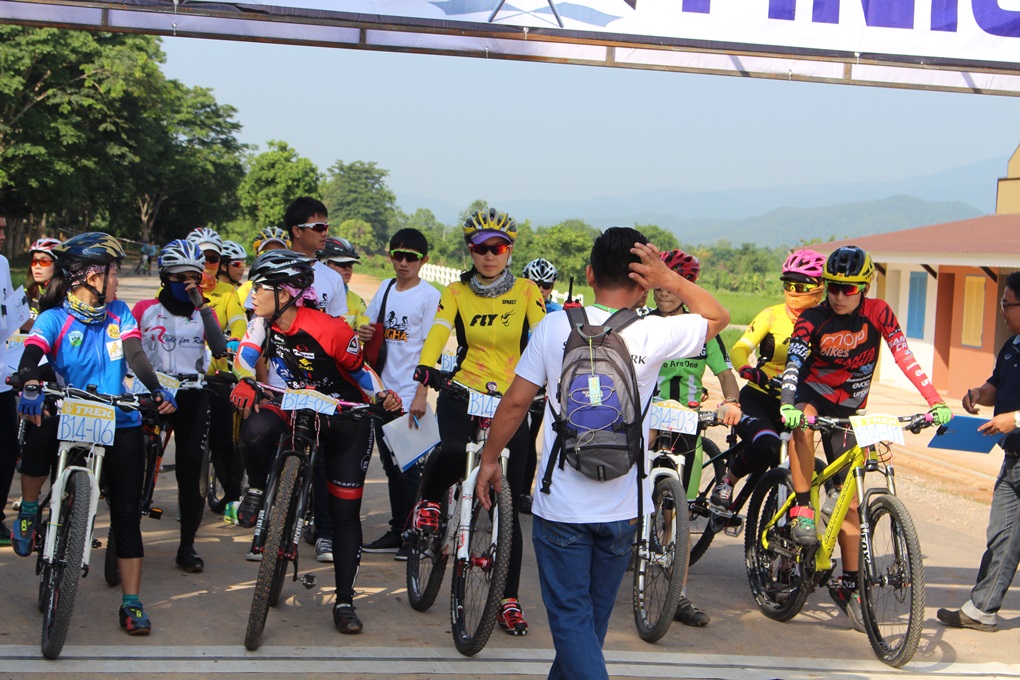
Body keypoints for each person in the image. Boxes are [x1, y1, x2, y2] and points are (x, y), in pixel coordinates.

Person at [474, 228, 728, 679]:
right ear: (643, 282)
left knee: (573, 623)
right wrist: (668, 277)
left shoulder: (554, 326)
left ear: (590, 274)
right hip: (623, 506)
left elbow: (515, 403)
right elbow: (717, 315)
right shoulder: (654, 332)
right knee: (588, 626)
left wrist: (490, 460)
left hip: (561, 506)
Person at [779, 244, 953, 631]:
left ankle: (849, 585)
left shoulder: (879, 313)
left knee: (852, 504)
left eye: (848, 289)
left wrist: (935, 401)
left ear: (865, 288)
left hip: (849, 408)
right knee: (802, 424)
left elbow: (904, 357)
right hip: (811, 396)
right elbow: (794, 362)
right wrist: (788, 403)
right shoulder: (812, 317)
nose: (838, 296)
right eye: (833, 287)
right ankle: (803, 507)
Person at [11, 232, 177, 635]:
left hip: (118, 418)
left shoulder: (119, 313)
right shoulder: (55, 317)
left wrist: (156, 389)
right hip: (68, 410)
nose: (117, 280)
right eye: (113, 272)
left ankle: (131, 603)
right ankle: (30, 509)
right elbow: (31, 354)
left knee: (126, 513)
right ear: (90, 276)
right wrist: (30, 382)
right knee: (40, 426)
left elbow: (135, 355)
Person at [229, 250, 401, 634]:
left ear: (286, 293)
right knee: (255, 430)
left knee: (343, 514)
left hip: (343, 415)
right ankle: (256, 489)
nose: (252, 293)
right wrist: (244, 380)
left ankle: (344, 601)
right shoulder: (261, 322)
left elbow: (363, 373)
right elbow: (244, 357)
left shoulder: (331, 330)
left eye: (261, 287)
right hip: (294, 404)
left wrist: (382, 396)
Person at [412, 208, 546, 636]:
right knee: (452, 450)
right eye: (480, 248)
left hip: (511, 398)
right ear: (469, 250)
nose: (489, 256)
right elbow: (439, 329)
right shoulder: (455, 291)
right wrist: (427, 365)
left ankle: (507, 599)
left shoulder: (527, 291)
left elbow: (542, 335)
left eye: (498, 248)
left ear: (509, 251)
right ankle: (430, 502)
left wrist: (554, 376)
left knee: (509, 504)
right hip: (465, 388)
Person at [647, 248, 741, 628]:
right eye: (658, 286)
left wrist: (731, 401)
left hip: (687, 426)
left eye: (671, 286)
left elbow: (726, 375)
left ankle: (678, 594)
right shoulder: (641, 324)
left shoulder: (701, 330)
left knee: (679, 513)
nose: (663, 293)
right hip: (647, 423)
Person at [132, 240, 227, 573]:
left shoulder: (203, 311)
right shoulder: (144, 309)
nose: (187, 284)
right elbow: (126, 349)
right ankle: (124, 530)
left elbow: (219, 347)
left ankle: (187, 545)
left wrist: (203, 307)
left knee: (190, 468)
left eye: (193, 277)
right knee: (133, 456)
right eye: (179, 277)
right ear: (164, 277)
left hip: (191, 393)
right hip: (152, 391)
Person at [937, 271, 1020, 633]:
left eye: (1007, 304)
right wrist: (976, 394)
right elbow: (995, 386)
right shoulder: (1012, 346)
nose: (1002, 310)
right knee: (1002, 534)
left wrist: (1015, 419)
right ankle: (982, 609)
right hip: (1013, 459)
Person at [714, 249, 827, 506]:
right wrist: (747, 369)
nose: (794, 292)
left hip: (799, 403)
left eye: (802, 287)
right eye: (789, 285)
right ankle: (728, 480)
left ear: (819, 288)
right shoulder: (772, 315)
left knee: (795, 460)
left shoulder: (825, 322)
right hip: (760, 397)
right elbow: (740, 348)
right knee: (768, 446)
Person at [357, 229, 440, 560]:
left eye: (411, 257)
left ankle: (416, 536)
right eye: (397, 255)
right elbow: (370, 327)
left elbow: (431, 349)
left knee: (410, 469)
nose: (403, 263)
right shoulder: (386, 287)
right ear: (389, 255)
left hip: (409, 393)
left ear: (424, 260)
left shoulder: (429, 296)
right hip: (382, 391)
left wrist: (421, 394)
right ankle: (398, 530)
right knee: (392, 467)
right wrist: (364, 331)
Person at [283, 198, 349, 562]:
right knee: (264, 439)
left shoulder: (331, 279)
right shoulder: (272, 268)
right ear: (297, 231)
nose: (326, 234)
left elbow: (338, 333)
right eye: (319, 227)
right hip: (280, 377)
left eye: (327, 227)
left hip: (320, 383)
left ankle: (324, 533)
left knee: (323, 456)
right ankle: (264, 512)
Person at [186, 227, 247, 519]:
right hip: (181, 375)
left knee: (223, 439)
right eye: (199, 258)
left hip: (217, 375)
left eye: (211, 258)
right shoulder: (173, 291)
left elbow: (239, 323)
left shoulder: (228, 292)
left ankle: (233, 496)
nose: (205, 265)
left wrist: (235, 338)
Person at [518, 258, 562, 516]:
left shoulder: (556, 312)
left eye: (546, 285)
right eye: (535, 284)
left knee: (528, 439)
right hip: (510, 377)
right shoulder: (514, 305)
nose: (541, 289)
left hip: (540, 385)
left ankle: (524, 491)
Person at [0, 210, 17, 545]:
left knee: (6, 449)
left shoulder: (2, 264)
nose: (3, 236)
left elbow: (11, 312)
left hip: (2, 375)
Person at [317, 236, 369, 331]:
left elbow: (365, 332)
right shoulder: (307, 295)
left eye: (351, 265)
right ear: (323, 264)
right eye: (342, 264)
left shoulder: (357, 301)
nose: (348, 269)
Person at [238, 226, 291, 313]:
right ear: (257, 255)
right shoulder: (247, 288)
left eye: (279, 252)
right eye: (266, 252)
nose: (273, 257)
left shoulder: (298, 283)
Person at [20, 237, 61, 332]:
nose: (37, 266)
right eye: (34, 262)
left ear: (58, 265)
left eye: (44, 262)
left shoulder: (67, 297)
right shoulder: (25, 294)